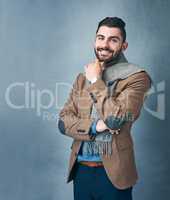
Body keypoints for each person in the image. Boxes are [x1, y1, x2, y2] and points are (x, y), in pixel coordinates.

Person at [58, 17, 151, 200]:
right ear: (95, 40)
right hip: (81, 170)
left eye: (113, 40)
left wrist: (95, 81)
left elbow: (114, 120)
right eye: (101, 38)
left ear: (124, 46)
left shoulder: (137, 78)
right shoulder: (81, 77)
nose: (104, 44)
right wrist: (95, 127)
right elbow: (63, 122)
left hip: (113, 173)